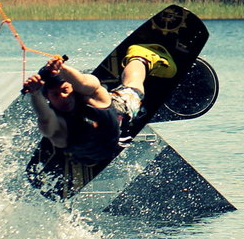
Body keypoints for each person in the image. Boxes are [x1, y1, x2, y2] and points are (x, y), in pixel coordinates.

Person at [22, 44, 177, 166]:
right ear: (47, 97)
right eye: (55, 95)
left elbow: (83, 82)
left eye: (65, 90)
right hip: (86, 153)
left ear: (71, 87)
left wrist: (60, 68)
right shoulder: (57, 125)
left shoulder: (91, 97)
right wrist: (35, 94)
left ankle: (141, 57)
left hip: (119, 116)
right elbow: (44, 117)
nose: (63, 97)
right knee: (57, 136)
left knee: (133, 88)